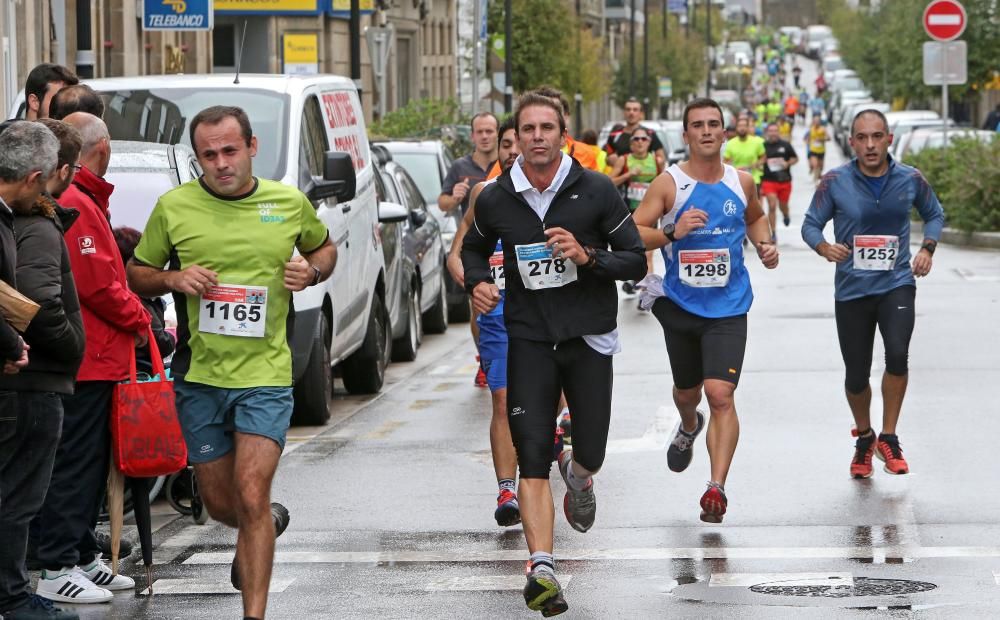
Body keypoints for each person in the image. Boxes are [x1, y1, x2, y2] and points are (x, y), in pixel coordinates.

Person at [127, 105, 336, 620]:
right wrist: (174, 280)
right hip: (200, 379)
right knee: (223, 504)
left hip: (266, 376)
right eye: (208, 155)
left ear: (251, 148)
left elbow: (325, 248)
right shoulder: (174, 207)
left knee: (251, 489)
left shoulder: (287, 203)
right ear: (197, 157)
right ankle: (257, 524)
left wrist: (309, 271)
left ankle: (254, 613)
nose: (220, 163)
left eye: (230, 151)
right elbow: (136, 272)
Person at [462, 92, 646, 617]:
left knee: (591, 450)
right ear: (515, 138)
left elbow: (634, 258)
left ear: (563, 134)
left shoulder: (594, 190)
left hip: (588, 336)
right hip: (530, 339)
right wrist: (477, 282)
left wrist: (587, 256)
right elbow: (473, 249)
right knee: (533, 453)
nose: (538, 137)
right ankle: (542, 566)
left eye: (548, 128)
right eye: (528, 129)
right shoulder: (497, 197)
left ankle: (581, 477)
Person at [632, 98, 779, 523]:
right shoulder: (669, 184)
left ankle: (716, 488)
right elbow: (634, 234)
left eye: (714, 124)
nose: (707, 131)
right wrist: (672, 231)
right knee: (688, 393)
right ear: (686, 135)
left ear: (725, 132)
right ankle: (688, 424)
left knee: (721, 394)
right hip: (680, 304)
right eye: (698, 125)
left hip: (729, 306)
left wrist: (765, 244)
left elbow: (755, 219)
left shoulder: (742, 181)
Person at [32, 112, 149, 606]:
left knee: (90, 463)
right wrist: (143, 322)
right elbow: (99, 283)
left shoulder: (84, 198)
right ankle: (59, 563)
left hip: (100, 355)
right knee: (77, 464)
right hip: (91, 356)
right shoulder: (78, 199)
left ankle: (79, 556)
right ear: (101, 149)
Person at [801, 109, 944, 479]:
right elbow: (810, 224)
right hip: (852, 289)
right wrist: (824, 247)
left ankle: (889, 436)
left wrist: (927, 247)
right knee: (856, 374)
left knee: (897, 354)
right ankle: (865, 436)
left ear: (889, 139)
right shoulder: (834, 181)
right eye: (862, 138)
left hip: (896, 282)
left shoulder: (910, 178)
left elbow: (935, 213)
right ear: (851, 142)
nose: (869, 144)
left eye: (877, 136)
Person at [0, 120, 84, 620]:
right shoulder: (16, 222)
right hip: (28, 384)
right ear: (35, 177)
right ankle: (11, 596)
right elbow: (31, 300)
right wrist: (69, 345)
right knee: (17, 497)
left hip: (21, 376)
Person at [446, 117, 522, 528]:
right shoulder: (485, 194)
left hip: (547, 318)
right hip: (498, 316)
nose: (512, 151)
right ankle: (507, 490)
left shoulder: (555, 195)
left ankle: (561, 447)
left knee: (553, 403)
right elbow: (456, 252)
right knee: (502, 401)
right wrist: (472, 280)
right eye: (506, 144)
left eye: (517, 143)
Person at [439, 112, 498, 387]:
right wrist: (455, 197)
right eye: (480, 131)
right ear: (472, 135)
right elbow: (442, 203)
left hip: (502, 244)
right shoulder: (460, 166)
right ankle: (485, 359)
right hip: (474, 246)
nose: (485, 136)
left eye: (490, 131)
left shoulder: (506, 163)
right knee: (478, 308)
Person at [112, 227, 176, 375]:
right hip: (139, 371)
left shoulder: (123, 291)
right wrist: (174, 337)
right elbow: (158, 340)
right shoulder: (134, 296)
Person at [610, 125, 659, 290]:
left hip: (651, 212)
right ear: (631, 143)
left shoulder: (656, 161)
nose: (640, 142)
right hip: (628, 213)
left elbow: (663, 185)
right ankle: (635, 280)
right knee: (632, 252)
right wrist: (628, 175)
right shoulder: (623, 159)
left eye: (643, 139)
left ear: (649, 142)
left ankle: (646, 293)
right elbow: (609, 183)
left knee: (648, 253)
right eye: (636, 139)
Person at [760, 122, 799, 240]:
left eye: (775, 131)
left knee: (783, 205)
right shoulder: (763, 146)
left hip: (784, 180)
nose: (773, 133)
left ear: (778, 132)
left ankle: (785, 214)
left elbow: (795, 158)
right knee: (771, 206)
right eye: (770, 131)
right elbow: (758, 159)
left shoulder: (785, 145)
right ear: (767, 133)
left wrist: (787, 163)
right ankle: (773, 232)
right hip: (769, 180)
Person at [609, 97, 666, 169]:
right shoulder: (614, 135)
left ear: (641, 114)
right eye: (628, 109)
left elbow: (661, 159)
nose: (631, 112)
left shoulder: (650, 134)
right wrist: (609, 160)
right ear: (624, 112)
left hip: (646, 178)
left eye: (635, 110)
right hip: (622, 178)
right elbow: (604, 156)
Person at [723, 116, 766, 195]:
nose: (742, 128)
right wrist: (733, 169)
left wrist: (755, 164)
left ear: (747, 127)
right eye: (740, 126)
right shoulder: (730, 144)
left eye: (744, 126)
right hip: (737, 180)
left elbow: (763, 158)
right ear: (736, 128)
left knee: (754, 205)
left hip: (754, 179)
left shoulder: (756, 142)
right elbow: (725, 162)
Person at [806, 114, 829, 185]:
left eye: (817, 121)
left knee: (821, 166)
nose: (816, 122)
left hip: (821, 150)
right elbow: (808, 138)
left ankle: (818, 175)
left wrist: (821, 139)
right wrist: (808, 143)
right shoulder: (811, 128)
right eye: (815, 121)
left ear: (820, 122)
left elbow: (828, 138)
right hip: (813, 150)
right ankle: (816, 180)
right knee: (815, 165)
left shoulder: (823, 129)